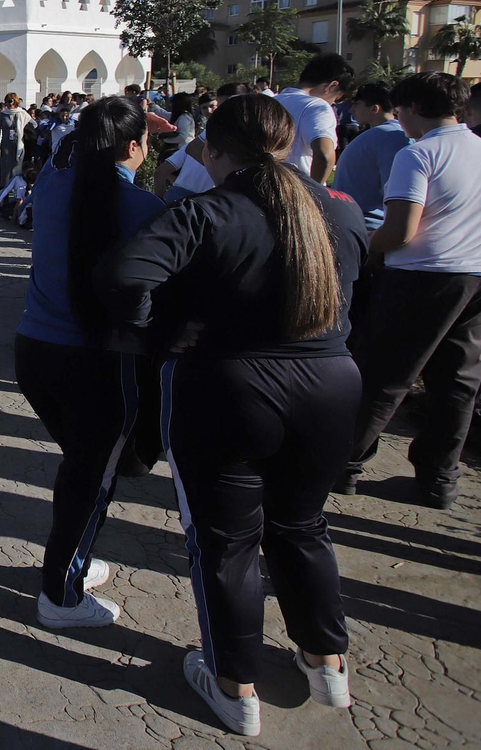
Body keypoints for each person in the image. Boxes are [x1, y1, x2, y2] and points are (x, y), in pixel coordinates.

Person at [97, 94, 367, 738]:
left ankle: (232, 683)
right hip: (330, 383)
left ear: (214, 150)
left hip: (231, 386)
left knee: (228, 543)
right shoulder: (341, 209)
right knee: (303, 525)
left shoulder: (208, 210)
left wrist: (162, 332)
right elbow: (369, 290)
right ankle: (327, 660)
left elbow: (125, 274)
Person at [15, 97, 164, 629]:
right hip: (100, 365)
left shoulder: (53, 188)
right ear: (132, 148)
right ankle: (61, 592)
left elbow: (62, 155)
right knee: (90, 478)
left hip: (35, 354)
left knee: (83, 471)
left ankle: (72, 559)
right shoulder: (146, 209)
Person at [341, 72, 481, 509]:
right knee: (458, 382)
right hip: (480, 275)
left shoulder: (419, 154)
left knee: (386, 375)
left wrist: (365, 248)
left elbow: (401, 230)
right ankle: (439, 479)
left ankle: (343, 464)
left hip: (424, 276)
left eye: (400, 109)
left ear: (412, 108)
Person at [330, 83, 410, 229]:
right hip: (362, 223)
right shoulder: (386, 135)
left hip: (365, 225)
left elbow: (394, 190)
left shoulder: (391, 137)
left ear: (375, 108)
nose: (351, 109)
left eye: (357, 104)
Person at [275, 55, 355, 183]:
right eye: (336, 98)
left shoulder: (270, 101)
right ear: (332, 86)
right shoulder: (317, 106)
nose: (332, 103)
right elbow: (324, 155)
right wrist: (315, 193)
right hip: (296, 189)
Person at [0, 93, 27, 183]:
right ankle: (5, 191)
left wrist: (23, 128)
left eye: (10, 101)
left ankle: (17, 190)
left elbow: (33, 124)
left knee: (17, 167)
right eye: (6, 102)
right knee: (6, 169)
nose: (8, 104)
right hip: (6, 144)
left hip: (18, 144)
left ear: (15, 101)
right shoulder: (3, 114)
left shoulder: (21, 113)